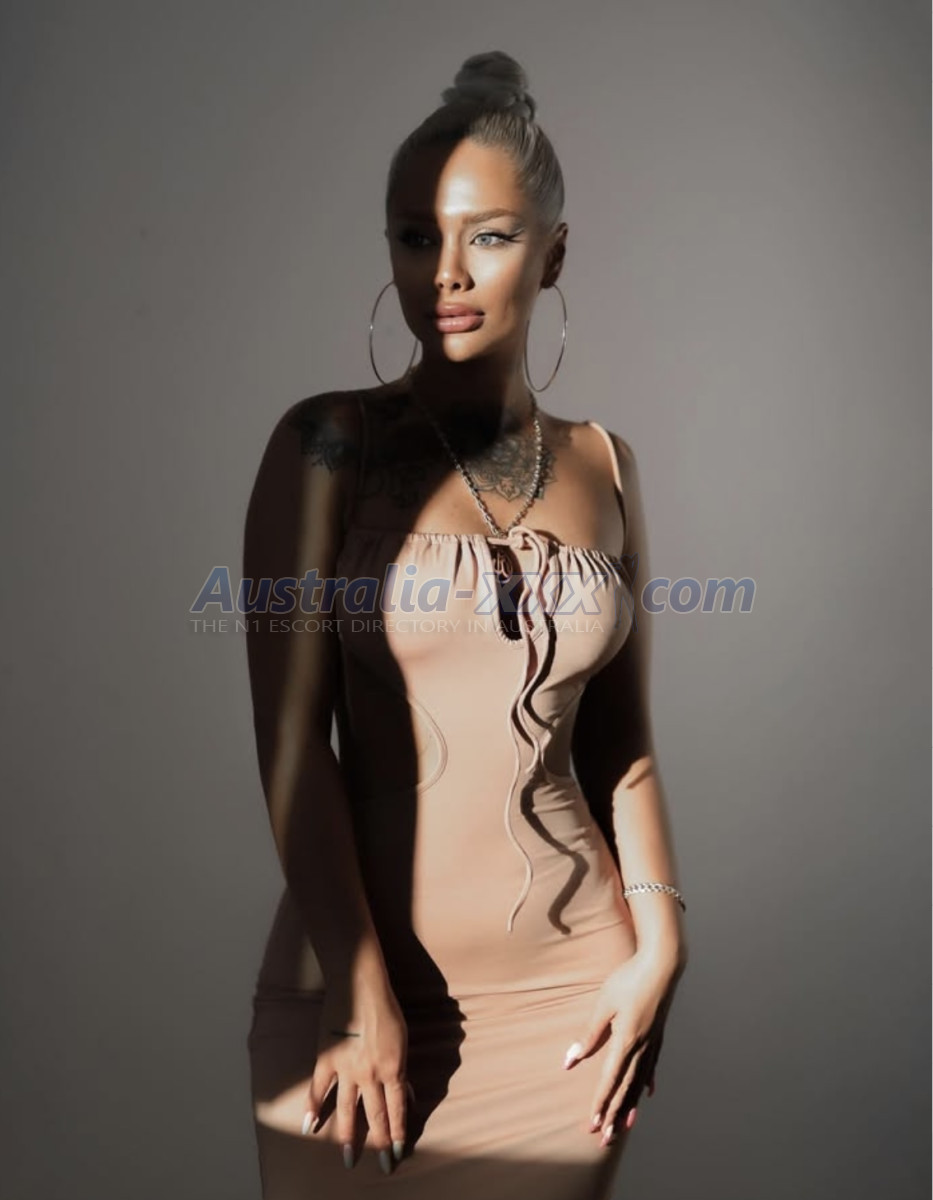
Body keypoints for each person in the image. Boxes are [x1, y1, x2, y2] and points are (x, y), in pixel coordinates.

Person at [243, 49, 688, 1200]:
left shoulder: (604, 465)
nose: (443, 272)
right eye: (412, 237)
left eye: (486, 236)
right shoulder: (326, 447)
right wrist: (360, 994)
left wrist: (662, 940)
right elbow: (293, 747)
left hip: (570, 1000)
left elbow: (621, 746)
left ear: (554, 252)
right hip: (350, 995)